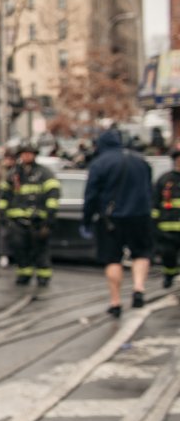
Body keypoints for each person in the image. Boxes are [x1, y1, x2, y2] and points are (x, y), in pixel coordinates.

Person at [83, 128, 153, 317]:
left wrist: (87, 221)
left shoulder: (100, 164)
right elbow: (149, 189)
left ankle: (115, 301)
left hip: (111, 219)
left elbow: (91, 196)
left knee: (112, 259)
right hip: (140, 216)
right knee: (141, 253)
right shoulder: (141, 161)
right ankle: (139, 288)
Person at [0, 141, 60, 286]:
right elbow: (4, 196)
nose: (26, 156)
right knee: (20, 249)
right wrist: (3, 215)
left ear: (34, 155)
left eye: (29, 154)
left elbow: (53, 194)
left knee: (40, 249)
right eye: (23, 154)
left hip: (38, 222)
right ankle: (24, 275)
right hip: (18, 222)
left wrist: (49, 217)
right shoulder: (13, 174)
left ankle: (43, 276)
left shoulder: (44, 173)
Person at [154, 145, 180, 288]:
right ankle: (169, 276)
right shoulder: (165, 180)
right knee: (168, 257)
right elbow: (155, 204)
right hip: (167, 231)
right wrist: (155, 225)